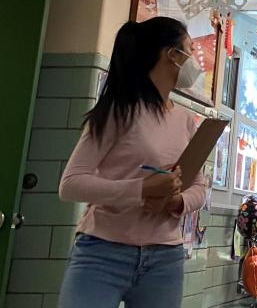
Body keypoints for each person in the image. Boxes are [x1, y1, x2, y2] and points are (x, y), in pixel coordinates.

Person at [57, 18, 207, 308]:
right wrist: (141, 189)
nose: (196, 64)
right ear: (172, 56)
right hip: (102, 253)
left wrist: (176, 203)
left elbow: (199, 186)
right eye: (190, 50)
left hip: (165, 258)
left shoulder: (186, 120)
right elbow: (71, 184)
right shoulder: (119, 110)